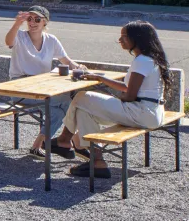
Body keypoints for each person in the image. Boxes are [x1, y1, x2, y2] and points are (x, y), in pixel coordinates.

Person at [53, 21, 172, 180]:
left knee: (81, 96)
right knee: (83, 110)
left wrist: (115, 99)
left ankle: (64, 139)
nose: (120, 40)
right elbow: (128, 87)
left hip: (141, 112)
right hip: (150, 113)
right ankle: (98, 163)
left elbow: (129, 95)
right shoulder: (150, 59)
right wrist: (100, 78)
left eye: (124, 36)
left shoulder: (142, 61)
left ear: (137, 38)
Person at [3, 5, 80, 158]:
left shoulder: (51, 40)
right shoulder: (20, 36)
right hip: (20, 88)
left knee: (62, 109)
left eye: (37, 19)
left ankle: (38, 146)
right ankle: (74, 141)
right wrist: (17, 23)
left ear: (45, 22)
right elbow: (8, 41)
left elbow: (66, 60)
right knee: (70, 101)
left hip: (42, 88)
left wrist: (80, 68)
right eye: (29, 19)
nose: (32, 22)